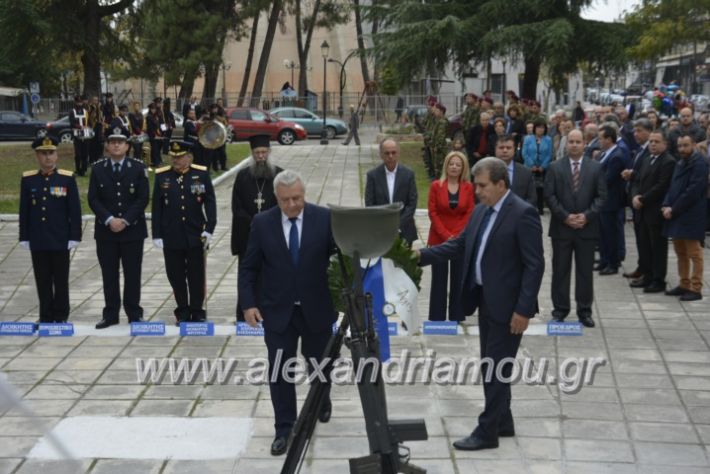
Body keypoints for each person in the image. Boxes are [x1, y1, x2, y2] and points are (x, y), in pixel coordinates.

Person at [416, 157, 544, 451]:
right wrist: (421, 256)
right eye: (476, 185)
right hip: (485, 301)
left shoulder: (523, 214)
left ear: (501, 184)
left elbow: (534, 266)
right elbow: (459, 245)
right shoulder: (481, 211)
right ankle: (504, 420)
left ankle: (487, 431)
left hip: (509, 308)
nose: (477, 190)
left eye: (483, 185)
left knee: (495, 368)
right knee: (493, 365)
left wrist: (523, 310)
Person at [238, 170, 336, 456]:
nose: (292, 205)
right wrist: (248, 304)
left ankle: (322, 399)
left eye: (297, 198)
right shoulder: (262, 222)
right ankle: (284, 428)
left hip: (316, 307)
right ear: (276, 199)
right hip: (277, 311)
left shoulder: (324, 218)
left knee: (320, 364)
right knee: (280, 371)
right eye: (285, 200)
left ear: (304, 194)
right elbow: (249, 267)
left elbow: (338, 257)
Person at [88, 126, 150, 329]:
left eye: (120, 141)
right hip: (106, 231)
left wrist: (124, 221)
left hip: (132, 230)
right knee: (109, 274)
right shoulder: (98, 169)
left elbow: (142, 198)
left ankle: (134, 313)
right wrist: (109, 219)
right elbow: (93, 199)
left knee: (133, 273)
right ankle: (110, 314)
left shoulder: (138, 168)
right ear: (106, 145)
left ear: (127, 146)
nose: (116, 145)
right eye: (112, 141)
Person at [544, 130, 606, 327]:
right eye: (571, 141)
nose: (574, 145)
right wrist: (565, 216)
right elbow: (549, 195)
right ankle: (560, 310)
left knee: (585, 272)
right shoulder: (555, 167)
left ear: (584, 144)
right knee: (560, 271)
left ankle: (584, 311)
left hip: (586, 229)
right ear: (566, 144)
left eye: (578, 141)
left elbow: (602, 196)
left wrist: (586, 216)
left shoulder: (596, 168)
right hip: (562, 229)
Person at [152, 140, 216, 324]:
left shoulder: (201, 174)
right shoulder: (162, 176)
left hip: (196, 233)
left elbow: (210, 203)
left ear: (189, 157)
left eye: (180, 157)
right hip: (171, 235)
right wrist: (157, 234)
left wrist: (209, 228)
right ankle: (182, 310)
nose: (176, 160)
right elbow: (157, 208)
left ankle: (197, 309)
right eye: (173, 157)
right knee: (176, 275)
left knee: (196, 275)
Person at [19, 136, 82, 323]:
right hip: (38, 238)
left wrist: (75, 235)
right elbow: (24, 210)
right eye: (43, 154)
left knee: (61, 280)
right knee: (42, 279)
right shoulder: (29, 180)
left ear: (56, 155)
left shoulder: (66, 178)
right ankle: (45, 316)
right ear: (37, 156)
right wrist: (24, 236)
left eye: (51, 153)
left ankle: (61, 315)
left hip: (60, 238)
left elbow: (74, 210)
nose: (47, 157)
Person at [231, 135, 284, 321]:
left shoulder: (280, 175)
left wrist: (266, 222)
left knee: (272, 274)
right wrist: (254, 222)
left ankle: (270, 310)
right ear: (252, 154)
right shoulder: (242, 176)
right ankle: (245, 312)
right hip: (247, 234)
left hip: (273, 234)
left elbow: (284, 205)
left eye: (263, 152)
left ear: (269, 153)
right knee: (247, 274)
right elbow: (236, 207)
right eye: (257, 153)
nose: (261, 156)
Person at [426, 151, 475, 322]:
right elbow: (432, 212)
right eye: (451, 164)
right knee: (439, 280)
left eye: (458, 164)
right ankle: (437, 317)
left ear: (463, 168)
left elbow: (470, 212)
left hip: (460, 239)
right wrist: (446, 235)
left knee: (458, 278)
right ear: (446, 166)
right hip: (438, 237)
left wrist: (457, 235)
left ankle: (456, 315)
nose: (454, 167)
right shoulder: (435, 186)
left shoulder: (469, 187)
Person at [662, 134, 708, 301]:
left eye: (685, 145)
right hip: (677, 213)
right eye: (680, 146)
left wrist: (673, 209)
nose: (682, 149)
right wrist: (666, 204)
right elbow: (673, 186)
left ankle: (696, 288)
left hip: (691, 214)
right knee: (680, 251)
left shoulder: (700, 163)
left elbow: (693, 192)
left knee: (694, 253)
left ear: (694, 145)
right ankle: (684, 283)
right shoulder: (680, 162)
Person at [629, 130, 675, 293]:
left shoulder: (668, 161)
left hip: (654, 211)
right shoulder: (647, 159)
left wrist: (642, 199)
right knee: (644, 246)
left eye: (656, 141)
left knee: (657, 248)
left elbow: (662, 186)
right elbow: (637, 180)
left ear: (665, 144)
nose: (653, 144)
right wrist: (635, 196)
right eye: (651, 141)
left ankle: (658, 279)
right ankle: (647, 275)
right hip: (641, 211)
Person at [365, 138, 418, 246]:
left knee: (403, 262)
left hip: (405, 230)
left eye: (393, 152)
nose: (390, 156)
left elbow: (412, 203)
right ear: (381, 154)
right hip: (380, 231)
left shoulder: (408, 174)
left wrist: (398, 225)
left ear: (398, 153)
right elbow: (369, 204)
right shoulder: (372, 176)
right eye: (387, 153)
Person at [596, 125, 628, 275]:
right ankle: (604, 260)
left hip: (611, 201)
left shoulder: (617, 155)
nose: (599, 141)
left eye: (601, 138)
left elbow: (607, 178)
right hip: (603, 201)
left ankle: (613, 263)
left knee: (610, 233)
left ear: (609, 139)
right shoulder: (604, 154)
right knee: (602, 233)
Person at [522, 119, 553, 215]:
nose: (540, 129)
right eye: (538, 127)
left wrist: (543, 166)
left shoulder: (548, 139)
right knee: (529, 188)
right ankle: (528, 208)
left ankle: (540, 208)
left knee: (541, 189)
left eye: (542, 128)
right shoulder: (528, 138)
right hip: (529, 167)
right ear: (535, 128)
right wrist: (531, 165)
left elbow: (550, 154)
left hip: (542, 169)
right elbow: (524, 153)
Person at [496, 134, 536, 206]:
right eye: (501, 148)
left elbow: (532, 198)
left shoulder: (526, 173)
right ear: (495, 149)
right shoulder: (486, 171)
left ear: (514, 150)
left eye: (508, 148)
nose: (505, 150)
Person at [68, 95, 90, 176]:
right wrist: (80, 127)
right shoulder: (72, 111)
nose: (80, 104)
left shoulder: (85, 111)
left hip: (86, 134)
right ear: (75, 102)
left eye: (81, 102)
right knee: (78, 154)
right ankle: (78, 169)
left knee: (85, 153)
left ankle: (84, 170)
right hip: (77, 134)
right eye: (78, 102)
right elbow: (71, 123)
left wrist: (88, 128)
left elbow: (89, 122)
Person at [146, 102, 164, 167]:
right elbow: (150, 128)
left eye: (154, 109)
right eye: (152, 109)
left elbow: (161, 124)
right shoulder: (149, 117)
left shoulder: (157, 116)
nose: (153, 110)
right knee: (155, 149)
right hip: (153, 135)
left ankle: (154, 161)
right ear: (150, 109)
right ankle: (157, 162)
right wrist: (154, 135)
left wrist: (163, 132)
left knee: (158, 149)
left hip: (159, 134)